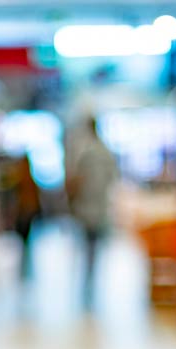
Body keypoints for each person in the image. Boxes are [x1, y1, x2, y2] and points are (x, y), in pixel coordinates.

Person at [66, 116, 119, 307]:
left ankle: (88, 282)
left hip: (87, 207)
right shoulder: (106, 152)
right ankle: (91, 281)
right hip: (98, 207)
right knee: (94, 247)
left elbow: (76, 180)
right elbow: (113, 178)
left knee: (88, 246)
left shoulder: (85, 152)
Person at [13, 154, 41, 279]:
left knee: (25, 237)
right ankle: (24, 261)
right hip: (24, 211)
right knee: (24, 238)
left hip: (27, 211)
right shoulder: (21, 179)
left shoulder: (25, 179)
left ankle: (25, 262)